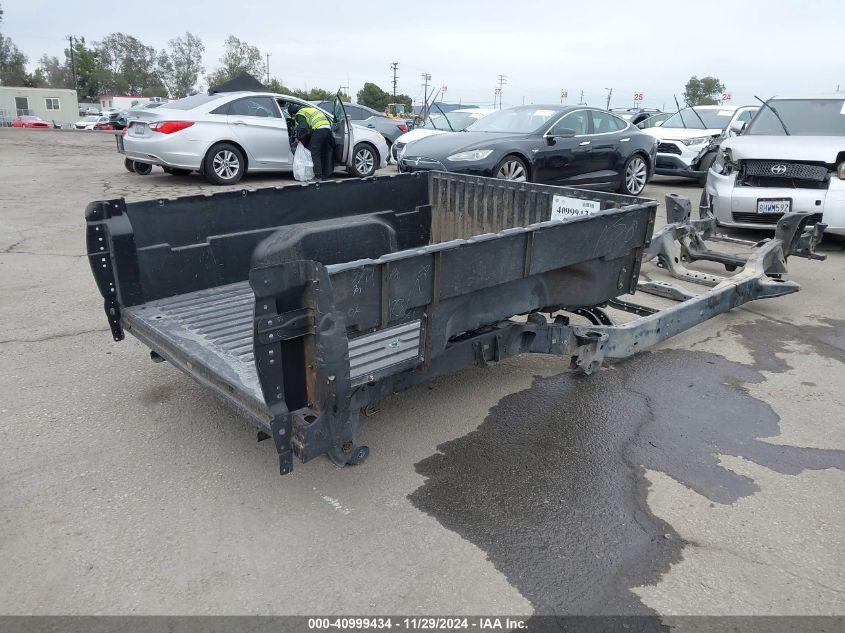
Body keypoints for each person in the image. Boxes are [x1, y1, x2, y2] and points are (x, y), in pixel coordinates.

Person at [288, 103, 334, 181]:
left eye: (292, 116)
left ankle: (318, 177)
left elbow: (304, 128)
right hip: (328, 130)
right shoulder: (309, 109)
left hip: (319, 130)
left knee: (315, 154)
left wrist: (298, 138)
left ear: (293, 113)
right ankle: (324, 175)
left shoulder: (300, 114)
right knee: (323, 152)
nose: (293, 118)